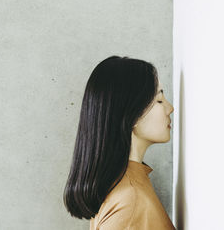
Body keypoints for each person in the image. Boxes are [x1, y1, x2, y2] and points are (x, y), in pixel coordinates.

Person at [63, 55, 176, 230]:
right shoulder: (130, 201)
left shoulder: (129, 185)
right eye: (159, 100)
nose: (170, 108)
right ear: (132, 116)